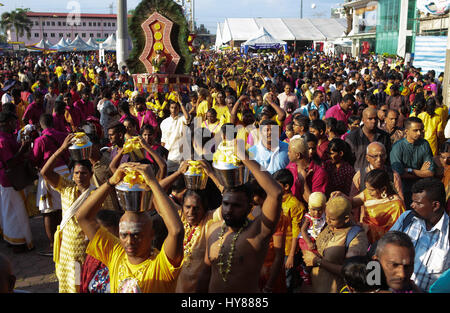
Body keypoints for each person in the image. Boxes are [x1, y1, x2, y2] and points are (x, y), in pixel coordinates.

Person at [76, 162, 185, 293]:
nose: (129, 241)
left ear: (151, 234)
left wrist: (152, 182)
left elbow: (176, 231)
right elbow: (82, 217)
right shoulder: (115, 253)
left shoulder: (161, 265)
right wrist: (111, 181)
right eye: (124, 235)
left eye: (136, 235)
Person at [196, 144, 283, 292]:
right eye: (226, 203)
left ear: (250, 207)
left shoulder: (257, 232)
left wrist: (245, 158)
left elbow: (275, 193)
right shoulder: (213, 229)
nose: (229, 209)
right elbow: (205, 272)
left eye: (236, 205)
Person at [40, 133, 96, 293]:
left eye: (84, 173)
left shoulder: (95, 195)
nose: (79, 177)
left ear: (91, 175)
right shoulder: (67, 188)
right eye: (76, 173)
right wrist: (62, 149)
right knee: (66, 283)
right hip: (66, 248)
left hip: (85, 248)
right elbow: (45, 172)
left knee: (79, 285)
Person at [389, 178, 449, 292]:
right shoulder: (407, 218)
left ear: (435, 205)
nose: (412, 205)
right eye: (412, 201)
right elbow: (382, 250)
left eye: (418, 203)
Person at [302, 196, 369, 293]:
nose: (328, 221)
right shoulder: (330, 225)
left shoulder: (357, 237)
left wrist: (318, 261)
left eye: (332, 219)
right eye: (327, 216)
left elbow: (352, 272)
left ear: (346, 219)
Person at [31, 114, 70, 256]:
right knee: (62, 207)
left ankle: (53, 245)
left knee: (48, 211)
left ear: (41, 125)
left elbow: (35, 159)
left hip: (49, 173)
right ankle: (64, 240)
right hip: (65, 171)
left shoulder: (40, 140)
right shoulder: (62, 135)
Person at [0, 111, 34, 253]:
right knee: (16, 211)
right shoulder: (2, 140)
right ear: (7, 123)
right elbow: (10, 162)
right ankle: (18, 242)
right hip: (10, 179)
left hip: (10, 179)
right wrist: (23, 149)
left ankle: (12, 239)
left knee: (10, 210)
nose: (16, 125)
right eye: (14, 122)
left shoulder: (8, 136)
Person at [343, 169, 406, 244]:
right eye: (367, 189)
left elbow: (394, 234)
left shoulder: (396, 205)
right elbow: (352, 202)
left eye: (371, 190)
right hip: (363, 235)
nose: (368, 192)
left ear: (383, 189)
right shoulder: (368, 193)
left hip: (381, 244)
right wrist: (342, 197)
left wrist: (369, 228)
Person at [390, 117, 435, 208]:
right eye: (415, 130)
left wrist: (410, 170)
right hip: (403, 190)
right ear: (406, 131)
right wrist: (421, 172)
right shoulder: (397, 147)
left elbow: (430, 172)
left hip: (421, 189)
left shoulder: (424, 144)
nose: (419, 133)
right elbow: (399, 174)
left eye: (421, 130)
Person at [273, 169, 306, 293]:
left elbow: (297, 232)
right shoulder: (275, 200)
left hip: (287, 250)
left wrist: (291, 255)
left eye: (276, 184)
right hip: (275, 247)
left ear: (286, 186)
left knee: (287, 280)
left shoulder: (295, 205)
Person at [80, 209, 122, 293]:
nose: (97, 238)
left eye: (103, 234)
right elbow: (81, 284)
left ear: (117, 231)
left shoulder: (121, 258)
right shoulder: (91, 257)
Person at [345, 107, 391, 172]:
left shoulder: (384, 136)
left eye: (375, 118)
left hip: (379, 176)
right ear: (363, 120)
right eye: (370, 119)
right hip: (359, 177)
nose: (374, 121)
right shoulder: (352, 137)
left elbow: (388, 159)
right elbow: (348, 161)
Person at [286, 137, 328, 204]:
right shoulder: (291, 166)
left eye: (290, 151)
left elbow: (315, 204)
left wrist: (303, 182)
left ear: (298, 155)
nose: (287, 153)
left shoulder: (319, 173)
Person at [297, 192, 327, 285]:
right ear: (309, 208)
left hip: (316, 238)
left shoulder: (324, 215)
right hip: (305, 239)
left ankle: (305, 267)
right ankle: (304, 271)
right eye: (314, 210)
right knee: (313, 257)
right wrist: (309, 242)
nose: (317, 213)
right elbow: (303, 230)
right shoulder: (308, 217)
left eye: (320, 210)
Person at [160, 99, 190, 173]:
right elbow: (163, 141)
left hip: (183, 156)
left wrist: (181, 102)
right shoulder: (164, 122)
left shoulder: (182, 118)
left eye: (176, 108)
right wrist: (163, 157)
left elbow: (187, 118)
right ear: (169, 108)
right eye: (172, 108)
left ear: (179, 109)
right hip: (170, 157)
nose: (173, 110)